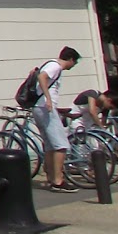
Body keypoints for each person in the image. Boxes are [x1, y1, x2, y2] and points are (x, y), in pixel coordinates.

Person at [31, 46, 81, 192]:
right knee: (61, 144)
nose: (73, 65)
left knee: (50, 145)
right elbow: (42, 77)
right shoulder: (55, 66)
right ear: (71, 59)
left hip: (38, 108)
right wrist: (48, 99)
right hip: (46, 109)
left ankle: (51, 176)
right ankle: (58, 180)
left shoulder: (49, 64)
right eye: (75, 62)